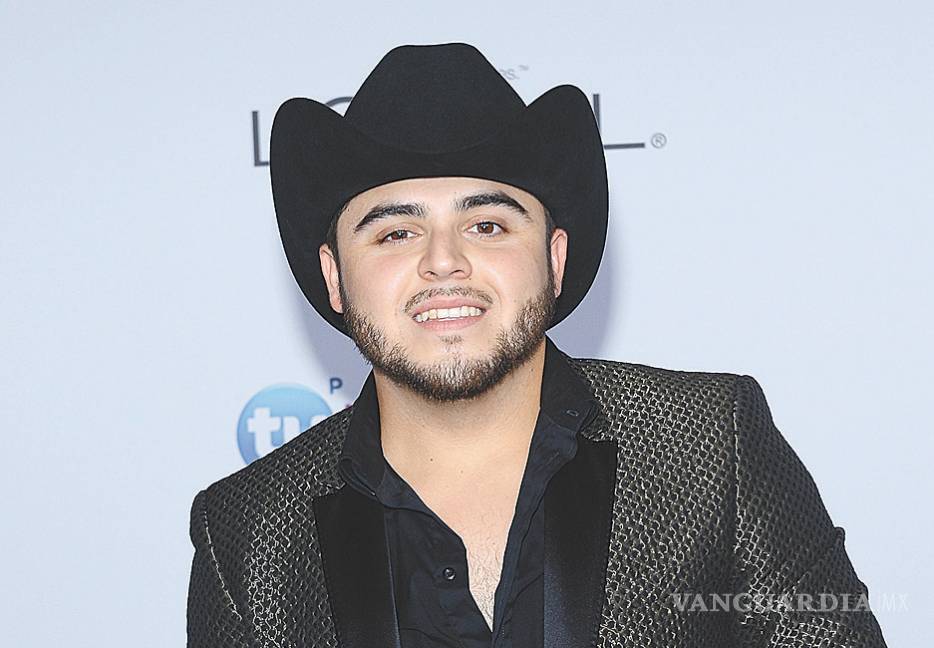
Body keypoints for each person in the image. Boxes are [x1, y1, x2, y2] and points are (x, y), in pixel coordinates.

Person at [186, 42, 888, 647]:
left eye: (488, 225)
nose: (443, 261)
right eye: (396, 233)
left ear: (554, 259)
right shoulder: (248, 535)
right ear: (335, 277)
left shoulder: (709, 445)